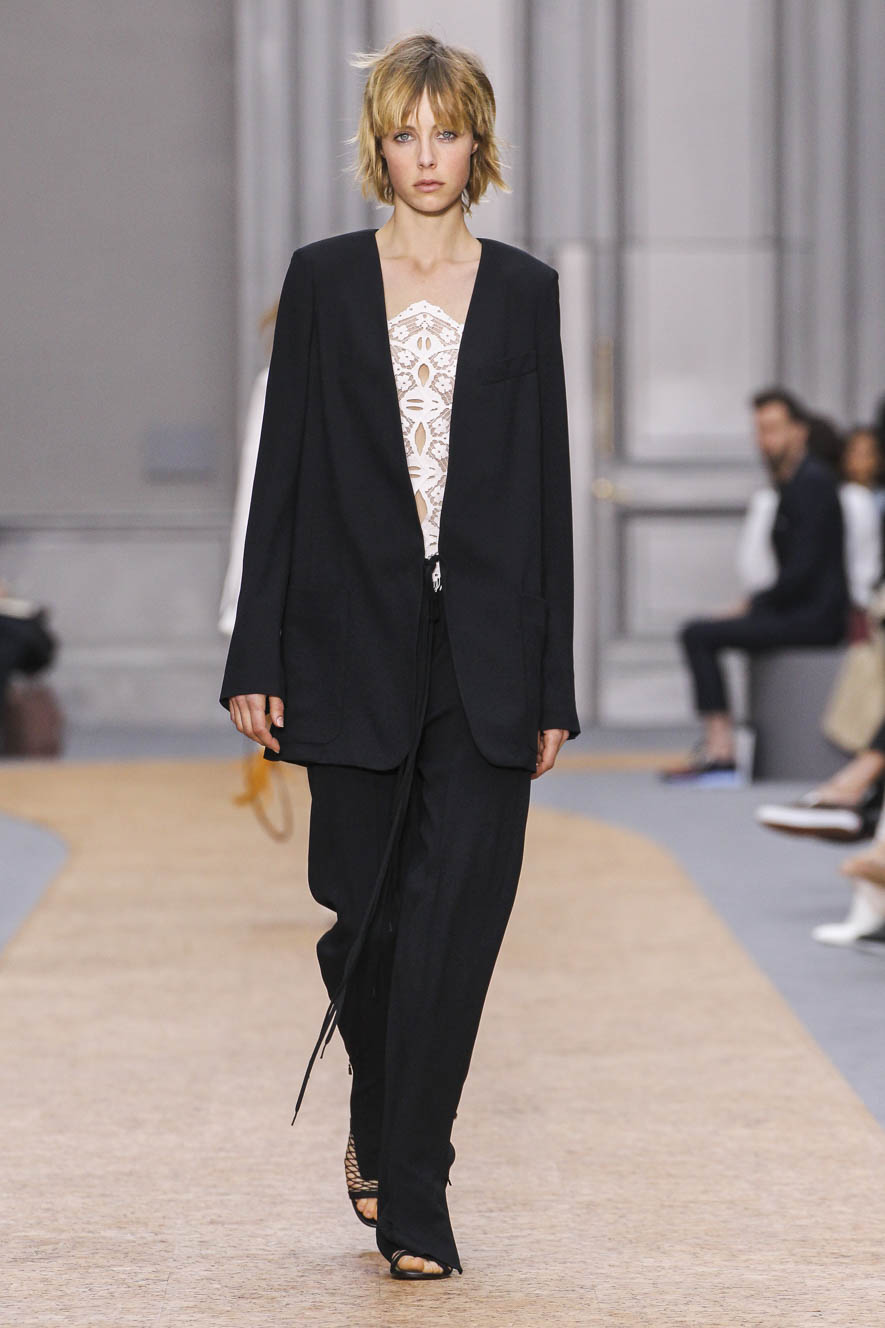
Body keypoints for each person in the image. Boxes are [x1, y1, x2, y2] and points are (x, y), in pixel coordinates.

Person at [218, 31, 580, 1281]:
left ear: (479, 142)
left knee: (457, 919)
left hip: (488, 654)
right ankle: (378, 1107)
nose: (427, 155)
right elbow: (283, 471)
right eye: (405, 132)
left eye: (448, 131)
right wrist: (254, 650)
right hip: (347, 642)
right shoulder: (324, 279)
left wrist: (553, 679)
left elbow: (544, 493)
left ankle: (415, 1184)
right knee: (364, 918)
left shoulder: (524, 289)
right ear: (379, 144)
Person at [662, 388, 849, 786]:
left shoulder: (812, 483)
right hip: (801, 610)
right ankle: (719, 747)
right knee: (703, 631)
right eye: (760, 430)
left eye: (773, 429)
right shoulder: (796, 481)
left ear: (798, 431)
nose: (765, 440)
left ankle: (721, 750)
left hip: (814, 618)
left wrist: (753, 606)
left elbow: (804, 572)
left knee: (699, 634)